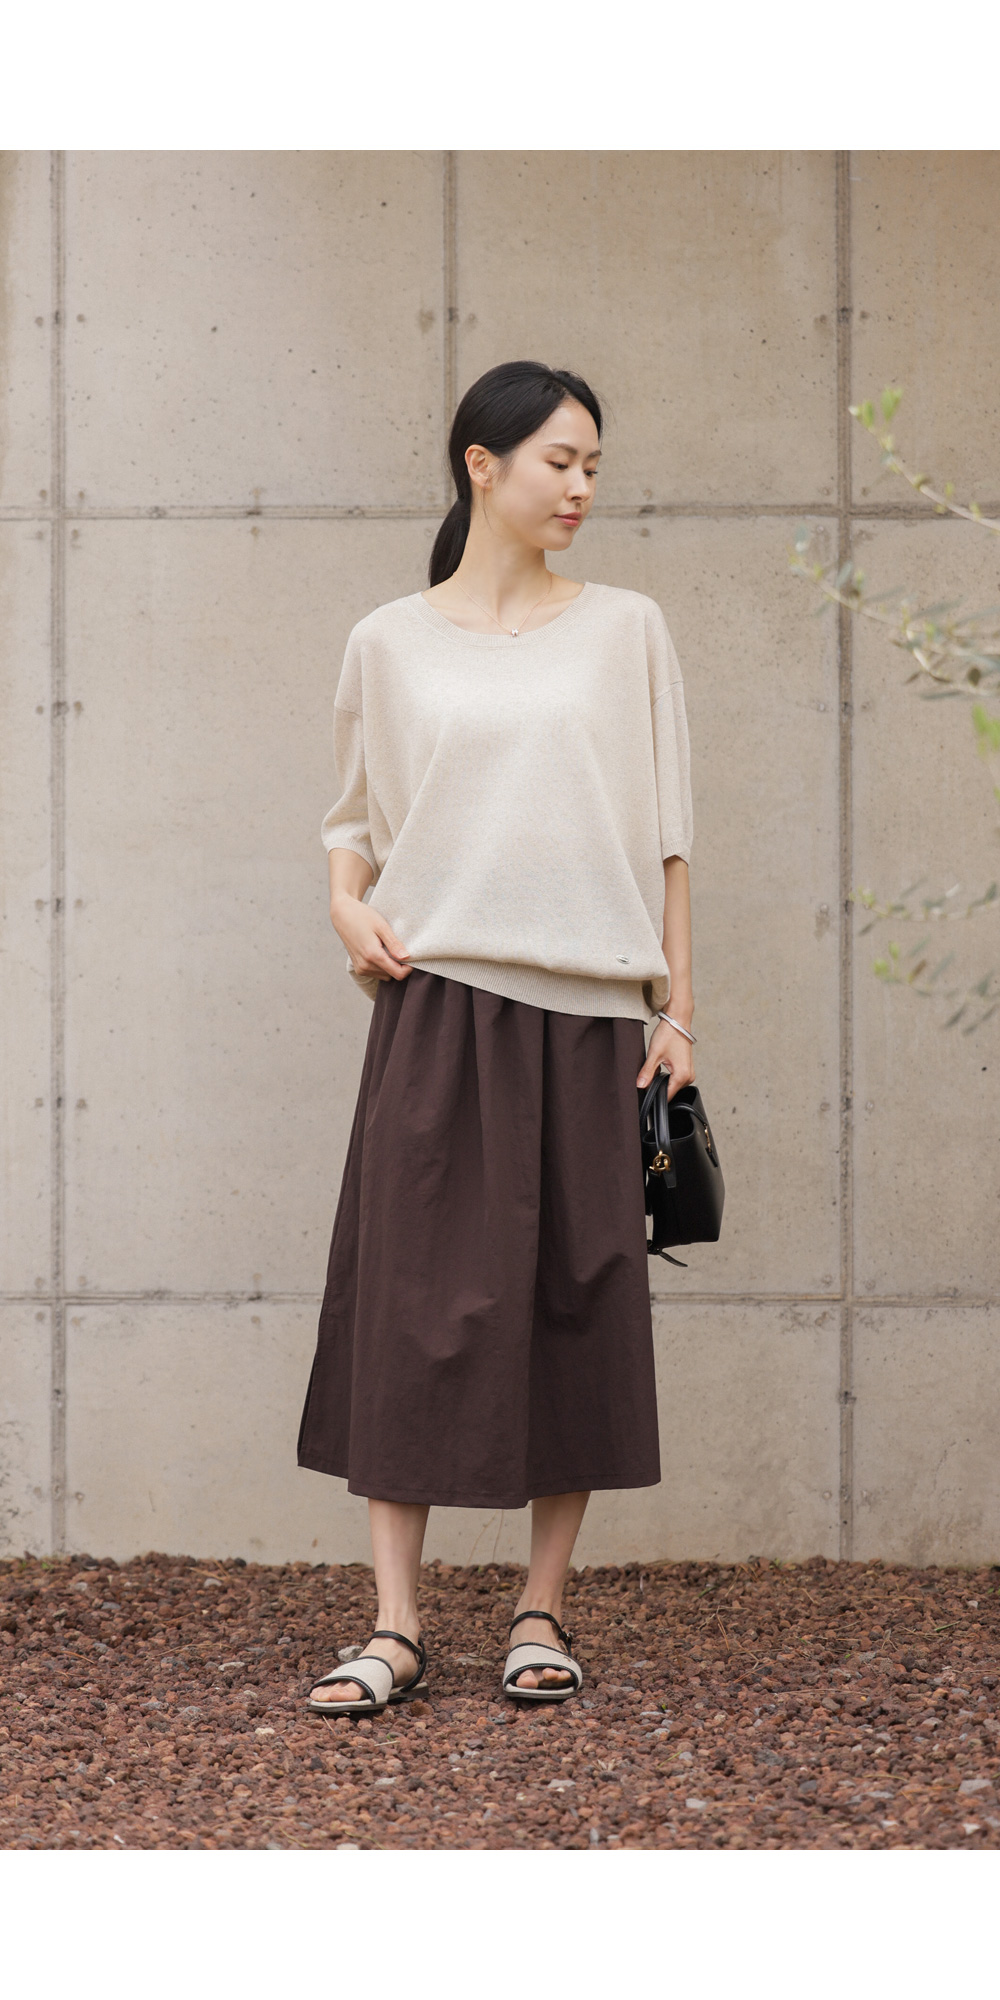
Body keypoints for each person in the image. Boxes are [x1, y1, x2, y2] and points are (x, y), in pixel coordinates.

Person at [297, 360, 696, 1714]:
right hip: (440, 1007)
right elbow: (354, 821)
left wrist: (677, 1009)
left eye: (593, 467)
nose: (581, 488)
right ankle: (394, 1626)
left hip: (591, 1014)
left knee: (575, 1300)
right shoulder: (388, 641)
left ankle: (542, 1612)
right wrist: (344, 905)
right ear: (483, 463)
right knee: (408, 1305)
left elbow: (670, 836)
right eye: (559, 462)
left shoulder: (629, 629)